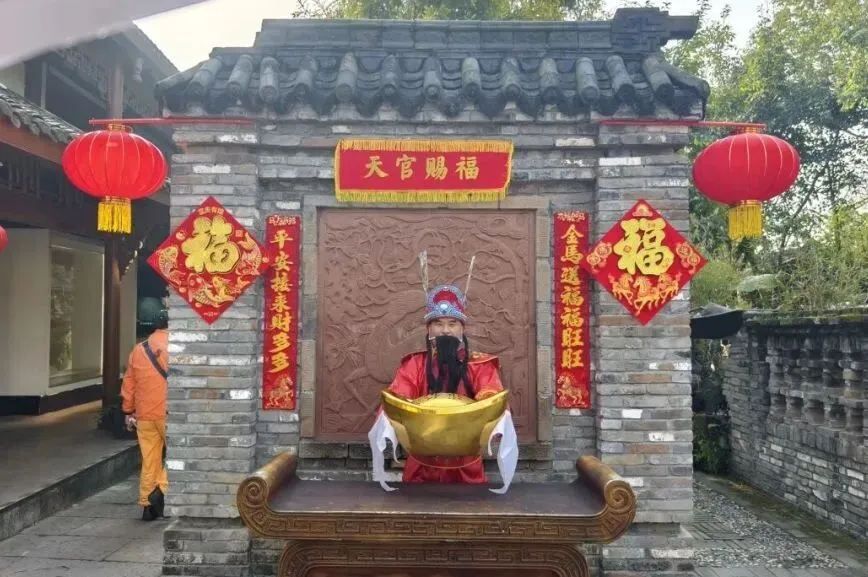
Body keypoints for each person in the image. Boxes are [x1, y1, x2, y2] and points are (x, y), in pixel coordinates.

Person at [386, 268, 505, 484]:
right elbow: (398, 399)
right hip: (421, 465)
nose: (445, 331)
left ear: (462, 329)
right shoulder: (414, 365)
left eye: (452, 324)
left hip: (466, 464)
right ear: (428, 329)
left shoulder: (480, 366)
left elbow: (492, 398)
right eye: (438, 324)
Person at [121, 309, 169, 521]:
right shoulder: (176, 347)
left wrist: (128, 410)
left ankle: (147, 506)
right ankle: (161, 492)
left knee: (150, 460)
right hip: (168, 412)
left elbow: (129, 383)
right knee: (177, 456)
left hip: (144, 415)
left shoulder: (138, 349)